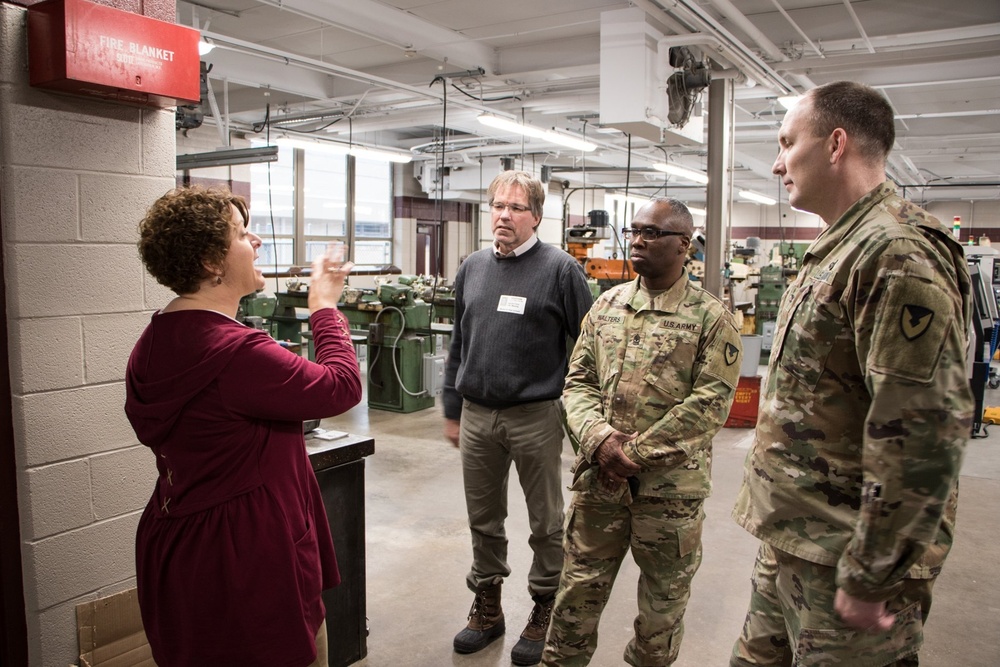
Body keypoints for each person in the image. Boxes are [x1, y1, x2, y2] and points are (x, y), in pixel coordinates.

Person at [730, 81, 973, 666]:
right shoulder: (841, 246)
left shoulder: (896, 253)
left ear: (835, 144)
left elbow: (922, 434)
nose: (776, 161)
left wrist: (872, 572)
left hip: (844, 558)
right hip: (797, 538)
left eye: (788, 142)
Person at [124, 186, 363, 667]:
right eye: (240, 233)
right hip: (247, 552)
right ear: (213, 260)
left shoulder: (152, 341)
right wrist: (323, 306)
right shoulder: (236, 353)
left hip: (179, 543)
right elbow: (341, 386)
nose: (255, 240)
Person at [540, 198, 743, 666]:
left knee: (661, 615)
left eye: (653, 233)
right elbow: (578, 381)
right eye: (635, 231)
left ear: (684, 245)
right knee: (574, 604)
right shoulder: (607, 306)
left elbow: (710, 404)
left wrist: (634, 454)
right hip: (599, 489)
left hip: (669, 497)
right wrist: (598, 441)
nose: (638, 240)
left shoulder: (711, 319)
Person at [443, 170, 594, 665]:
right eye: (497, 206)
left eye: (515, 207)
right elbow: (458, 344)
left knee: (546, 521)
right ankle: (488, 605)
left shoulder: (561, 269)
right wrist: (451, 408)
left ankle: (545, 603)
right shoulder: (472, 267)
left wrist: (578, 410)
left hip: (535, 415)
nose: (503, 215)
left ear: (537, 216)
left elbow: (589, 347)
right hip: (478, 414)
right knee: (484, 519)